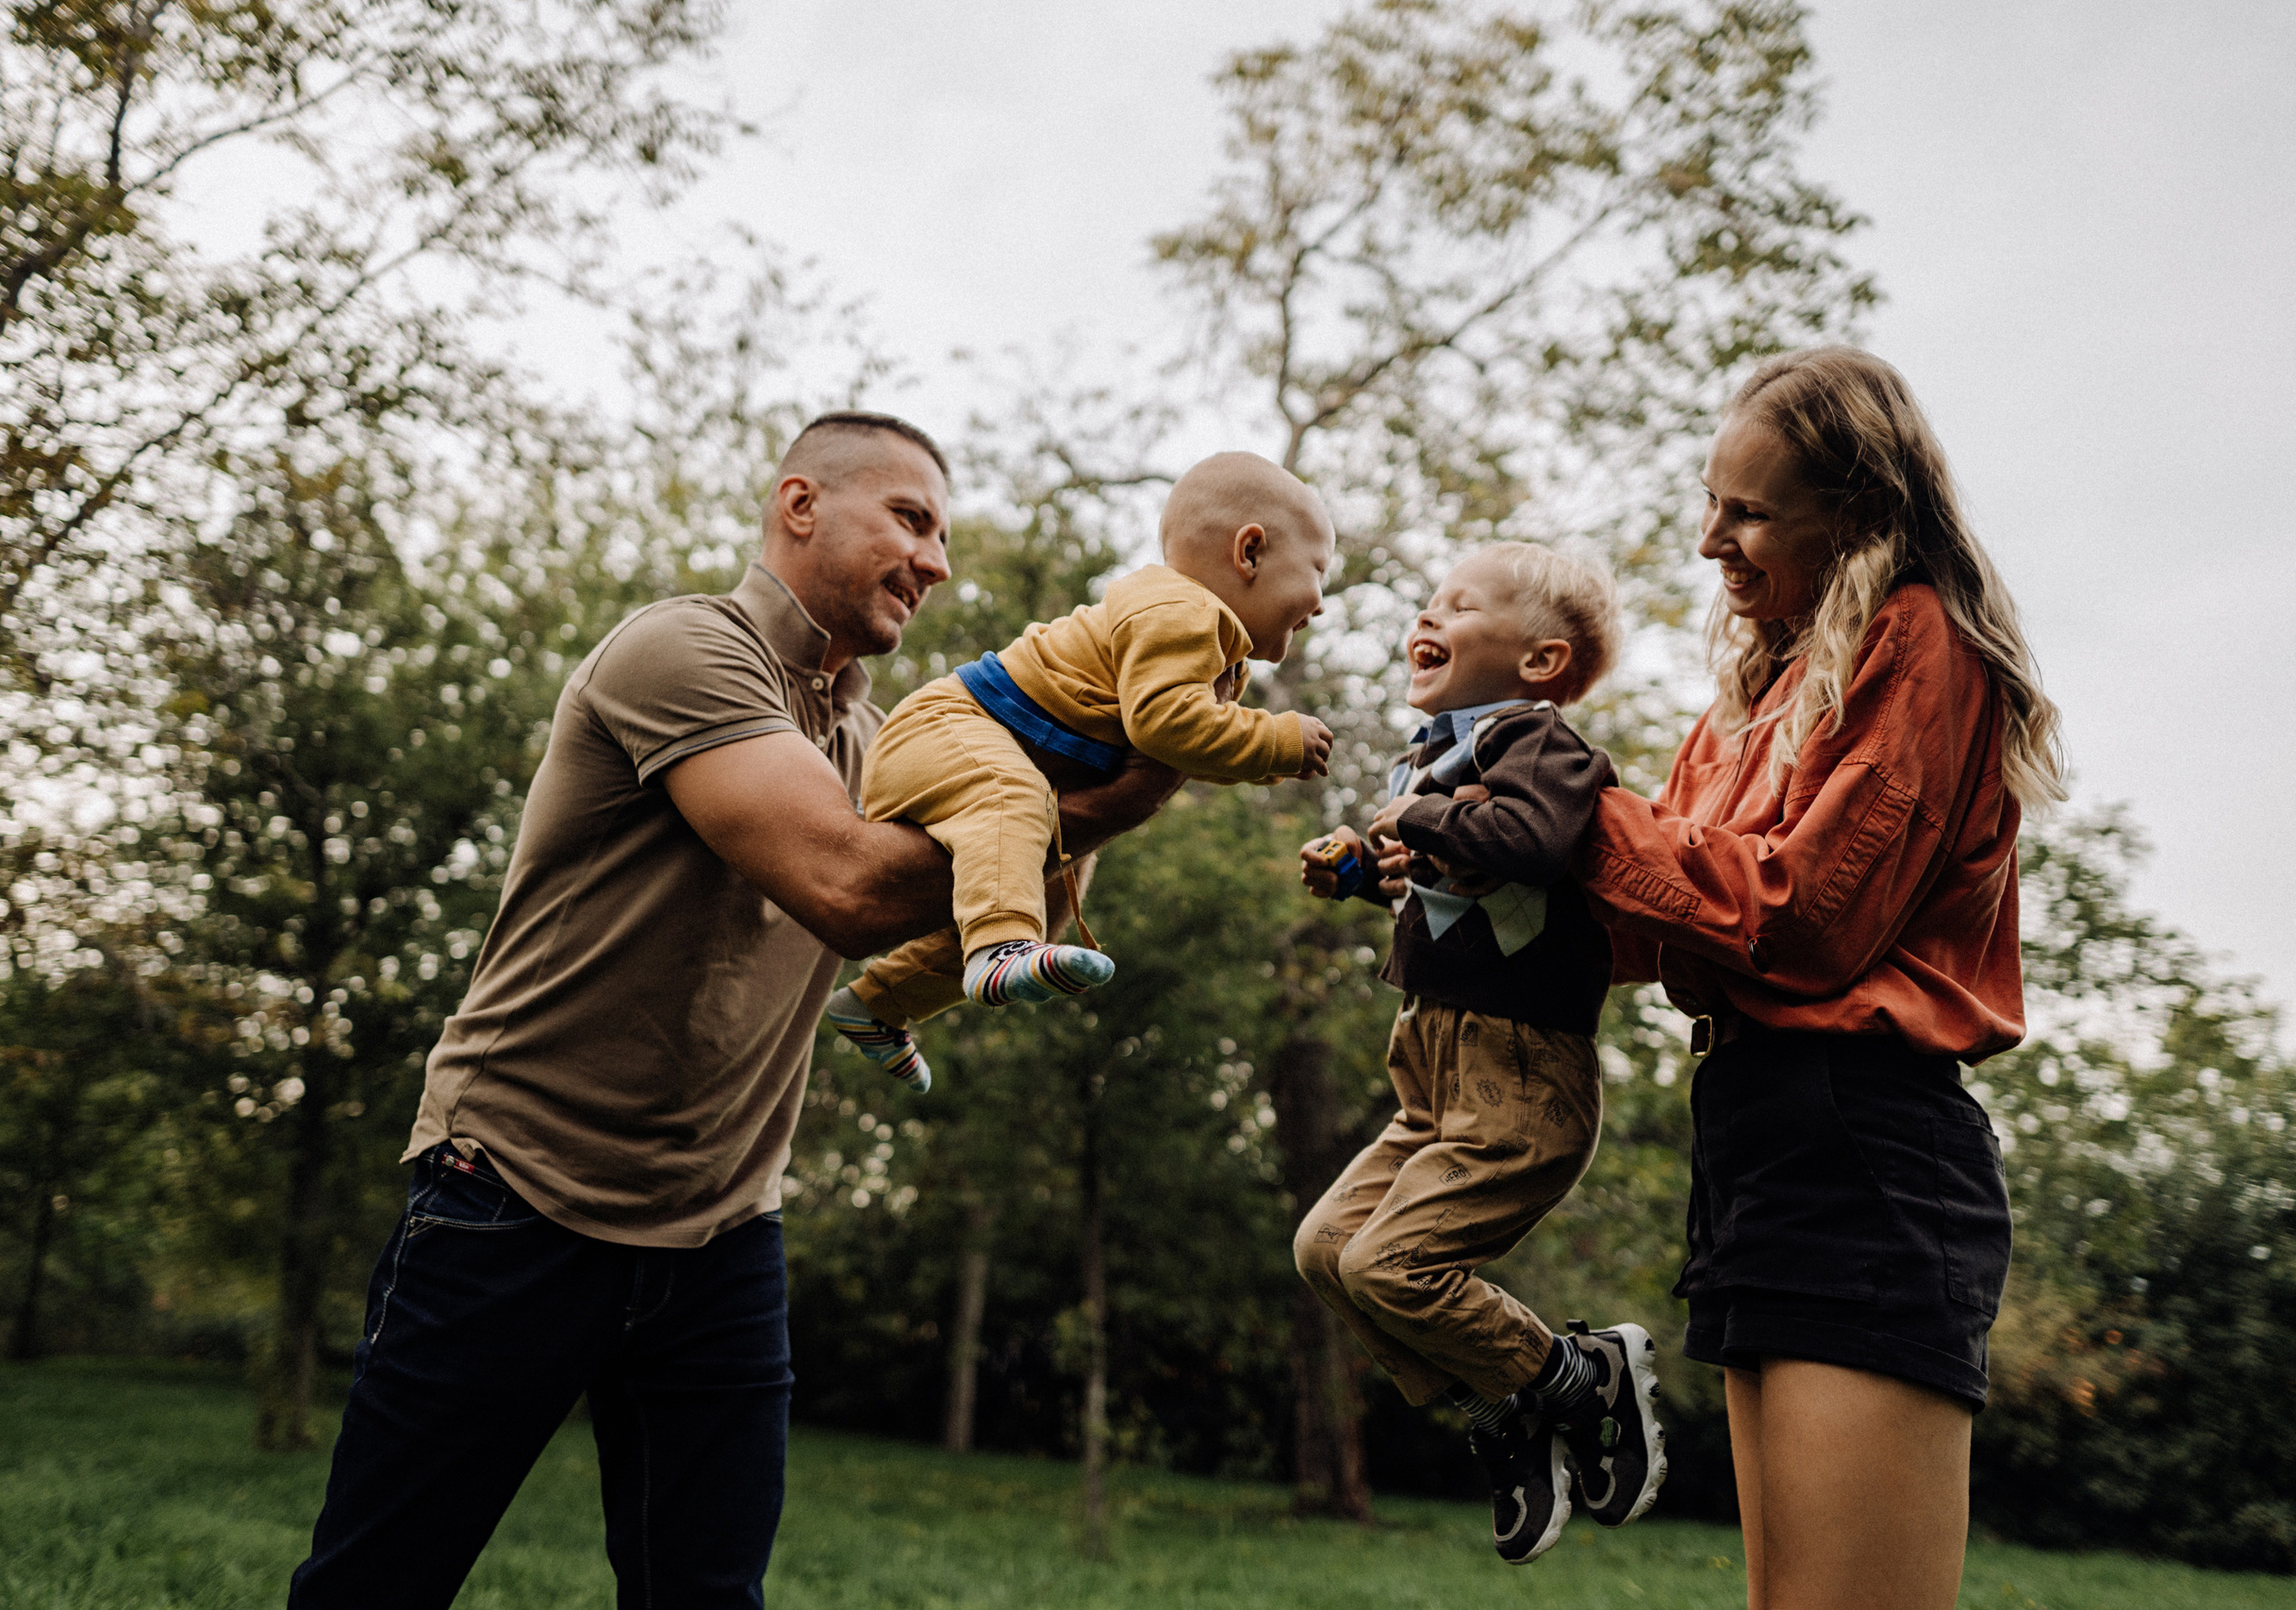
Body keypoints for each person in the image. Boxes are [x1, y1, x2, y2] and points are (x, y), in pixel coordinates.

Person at [287, 412, 1185, 1610]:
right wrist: (1093, 809)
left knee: (706, 1600)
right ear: (799, 505)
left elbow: (961, 901)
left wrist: (1132, 738)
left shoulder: (875, 736)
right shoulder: (680, 650)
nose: (937, 562)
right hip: (515, 1193)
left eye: (941, 534)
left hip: (719, 1233)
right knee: (377, 1587)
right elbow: (851, 888)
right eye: (910, 520)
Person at [1566, 348, 2065, 1609]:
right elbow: (1648, 924)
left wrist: (1573, 814)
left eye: (1746, 511)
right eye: (1711, 502)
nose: (1708, 542)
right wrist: (1471, 856)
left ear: (1853, 511)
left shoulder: (1921, 643)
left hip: (1867, 1140)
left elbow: (1805, 919)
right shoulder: (1756, 693)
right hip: (1755, 1136)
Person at [1291, 540, 1667, 1565]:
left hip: (1519, 1071)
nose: (1427, 615)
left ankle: (1577, 1380)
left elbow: (1532, 844)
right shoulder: (1438, 760)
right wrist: (1368, 870)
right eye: (1427, 601)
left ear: (1540, 661)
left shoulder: (1545, 749)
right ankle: (1514, 1398)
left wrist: (1416, 815)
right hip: (1430, 1067)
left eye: (1456, 605)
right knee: (1326, 1251)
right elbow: (1454, 879)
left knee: (1390, 1263)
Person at [824, 451, 1337, 1090]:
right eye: (1318, 571)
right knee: (1012, 800)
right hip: (943, 730)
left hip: (990, 754)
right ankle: (998, 949)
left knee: (1052, 894)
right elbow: (1167, 724)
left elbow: (1189, 744)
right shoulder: (1180, 610)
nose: (1319, 602)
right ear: (1251, 552)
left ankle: (880, 1003)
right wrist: (1279, 740)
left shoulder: (1209, 642)